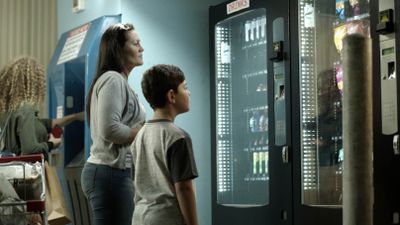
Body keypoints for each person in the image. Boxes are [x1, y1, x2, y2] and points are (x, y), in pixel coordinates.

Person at [81, 23, 146, 225]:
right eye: (136, 44)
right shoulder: (113, 79)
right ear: (119, 50)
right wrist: (145, 133)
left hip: (111, 174)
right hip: (109, 173)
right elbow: (110, 129)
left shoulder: (119, 81)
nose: (141, 48)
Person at [131, 64, 199, 225]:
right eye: (185, 87)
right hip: (166, 219)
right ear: (171, 96)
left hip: (140, 217)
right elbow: (184, 188)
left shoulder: (140, 135)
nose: (189, 93)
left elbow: (135, 182)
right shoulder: (178, 137)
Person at [0, 56, 84, 160]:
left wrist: (75, 116)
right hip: (30, 173)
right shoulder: (25, 109)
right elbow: (30, 149)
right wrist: (51, 144)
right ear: (32, 82)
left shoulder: (9, 110)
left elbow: (43, 123)